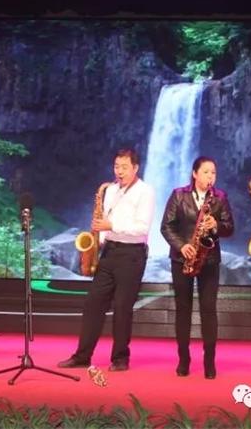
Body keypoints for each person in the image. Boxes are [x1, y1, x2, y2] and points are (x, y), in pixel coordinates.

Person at [58, 148, 155, 372]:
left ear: (135, 168)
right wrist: (97, 242)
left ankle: (120, 358)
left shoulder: (145, 192)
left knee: (122, 307)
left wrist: (111, 225)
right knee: (93, 304)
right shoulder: (109, 190)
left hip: (132, 254)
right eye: (116, 167)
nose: (119, 172)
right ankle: (82, 355)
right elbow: (105, 219)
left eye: (124, 167)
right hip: (109, 251)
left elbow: (142, 228)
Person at [160, 156, 234, 379]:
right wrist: (182, 246)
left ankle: (209, 362)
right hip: (182, 259)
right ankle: (184, 359)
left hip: (209, 260)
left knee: (208, 310)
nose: (210, 176)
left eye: (213, 173)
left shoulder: (220, 197)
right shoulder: (178, 195)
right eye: (206, 172)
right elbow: (166, 226)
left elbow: (230, 228)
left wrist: (216, 225)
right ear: (194, 173)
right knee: (183, 309)